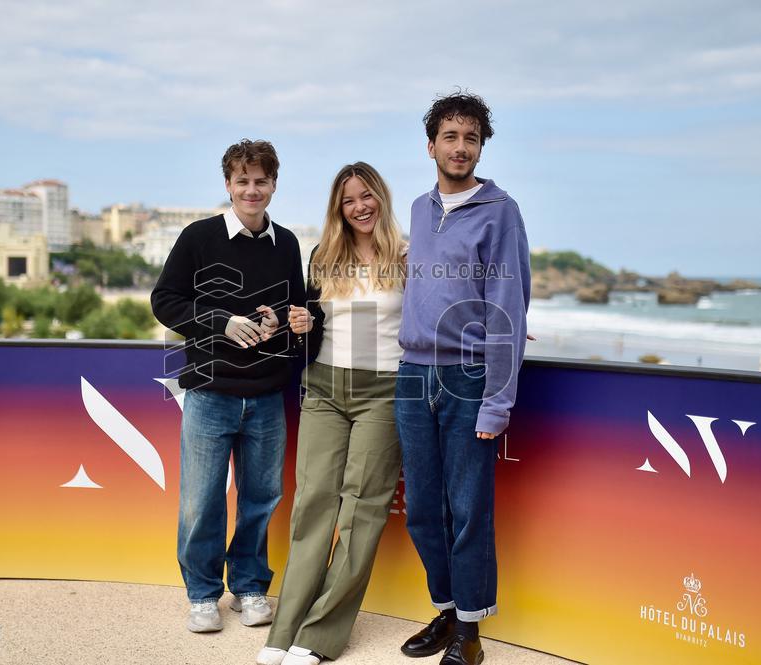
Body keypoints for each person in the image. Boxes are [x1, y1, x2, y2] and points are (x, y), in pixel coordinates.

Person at [395, 91, 531, 665]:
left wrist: (497, 403)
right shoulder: (420, 210)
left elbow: (508, 308)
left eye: (470, 137)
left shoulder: (502, 213)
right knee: (424, 507)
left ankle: (470, 636)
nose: (460, 147)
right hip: (411, 376)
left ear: (480, 147)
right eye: (450, 137)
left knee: (468, 507)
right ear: (431, 146)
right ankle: (448, 611)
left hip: (467, 379)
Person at [151, 139, 306, 635]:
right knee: (202, 501)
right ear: (228, 185)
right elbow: (165, 300)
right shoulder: (198, 236)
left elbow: (295, 310)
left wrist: (282, 318)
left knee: (262, 498)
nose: (252, 190)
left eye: (261, 181)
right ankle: (201, 595)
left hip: (266, 396)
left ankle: (249, 586)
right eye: (243, 181)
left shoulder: (287, 243)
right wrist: (221, 322)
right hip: (209, 394)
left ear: (274, 185)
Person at [256, 162, 406, 665]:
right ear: (337, 209)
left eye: (367, 196)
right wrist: (301, 320)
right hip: (322, 386)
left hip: (383, 391)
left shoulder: (410, 255)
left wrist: (491, 327)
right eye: (348, 200)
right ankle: (284, 631)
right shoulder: (324, 256)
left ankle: (320, 636)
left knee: (361, 511)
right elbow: (314, 323)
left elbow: (442, 311)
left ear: (381, 198)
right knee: (313, 505)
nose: (360, 206)